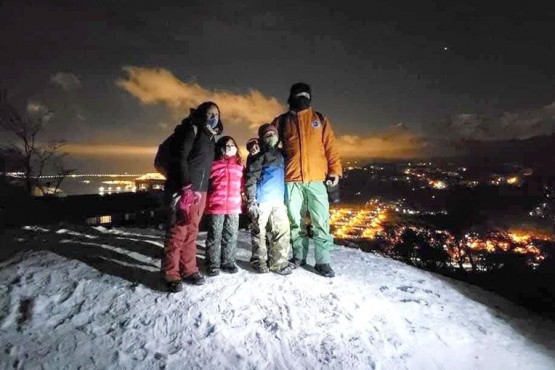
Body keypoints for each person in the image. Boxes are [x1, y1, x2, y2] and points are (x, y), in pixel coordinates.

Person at [271, 82, 342, 277]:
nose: (302, 98)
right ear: (291, 97)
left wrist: (335, 171)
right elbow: (269, 143)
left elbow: (331, 148)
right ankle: (298, 256)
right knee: (295, 221)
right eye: (298, 94)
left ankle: (323, 261)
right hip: (291, 179)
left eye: (305, 95)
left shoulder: (320, 119)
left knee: (321, 221)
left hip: (318, 179)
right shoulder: (282, 121)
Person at [162, 101, 223, 292]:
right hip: (184, 189)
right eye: (208, 113)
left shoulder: (210, 136)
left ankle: (188, 269)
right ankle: (170, 273)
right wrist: (186, 186)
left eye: (216, 114)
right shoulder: (191, 129)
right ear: (200, 113)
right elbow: (179, 157)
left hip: (200, 191)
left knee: (192, 231)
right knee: (178, 231)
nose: (212, 117)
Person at [245, 124, 293, 275]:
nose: (271, 136)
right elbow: (251, 177)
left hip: (278, 200)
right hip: (261, 199)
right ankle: (258, 261)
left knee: (282, 231)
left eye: (273, 133)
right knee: (259, 231)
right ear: (261, 138)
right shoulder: (257, 154)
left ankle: (278, 263)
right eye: (267, 134)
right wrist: (251, 198)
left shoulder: (281, 154)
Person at [204, 136, 244, 276]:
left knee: (231, 235)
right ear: (220, 147)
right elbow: (206, 184)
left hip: (234, 206)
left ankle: (228, 261)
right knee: (215, 235)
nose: (229, 147)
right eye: (226, 145)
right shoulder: (213, 164)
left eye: (232, 144)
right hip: (216, 205)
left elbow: (243, 184)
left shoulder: (239, 166)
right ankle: (213, 263)